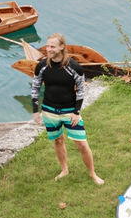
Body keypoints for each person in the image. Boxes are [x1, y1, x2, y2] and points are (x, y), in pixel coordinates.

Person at [31, 33, 104, 184]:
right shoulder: (42, 66)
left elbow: (81, 91)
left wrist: (76, 113)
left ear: (61, 47)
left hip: (69, 111)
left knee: (82, 144)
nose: (48, 49)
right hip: (49, 111)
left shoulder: (74, 67)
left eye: (52, 46)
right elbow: (35, 87)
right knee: (58, 140)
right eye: (47, 46)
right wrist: (35, 110)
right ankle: (64, 169)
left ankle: (92, 174)